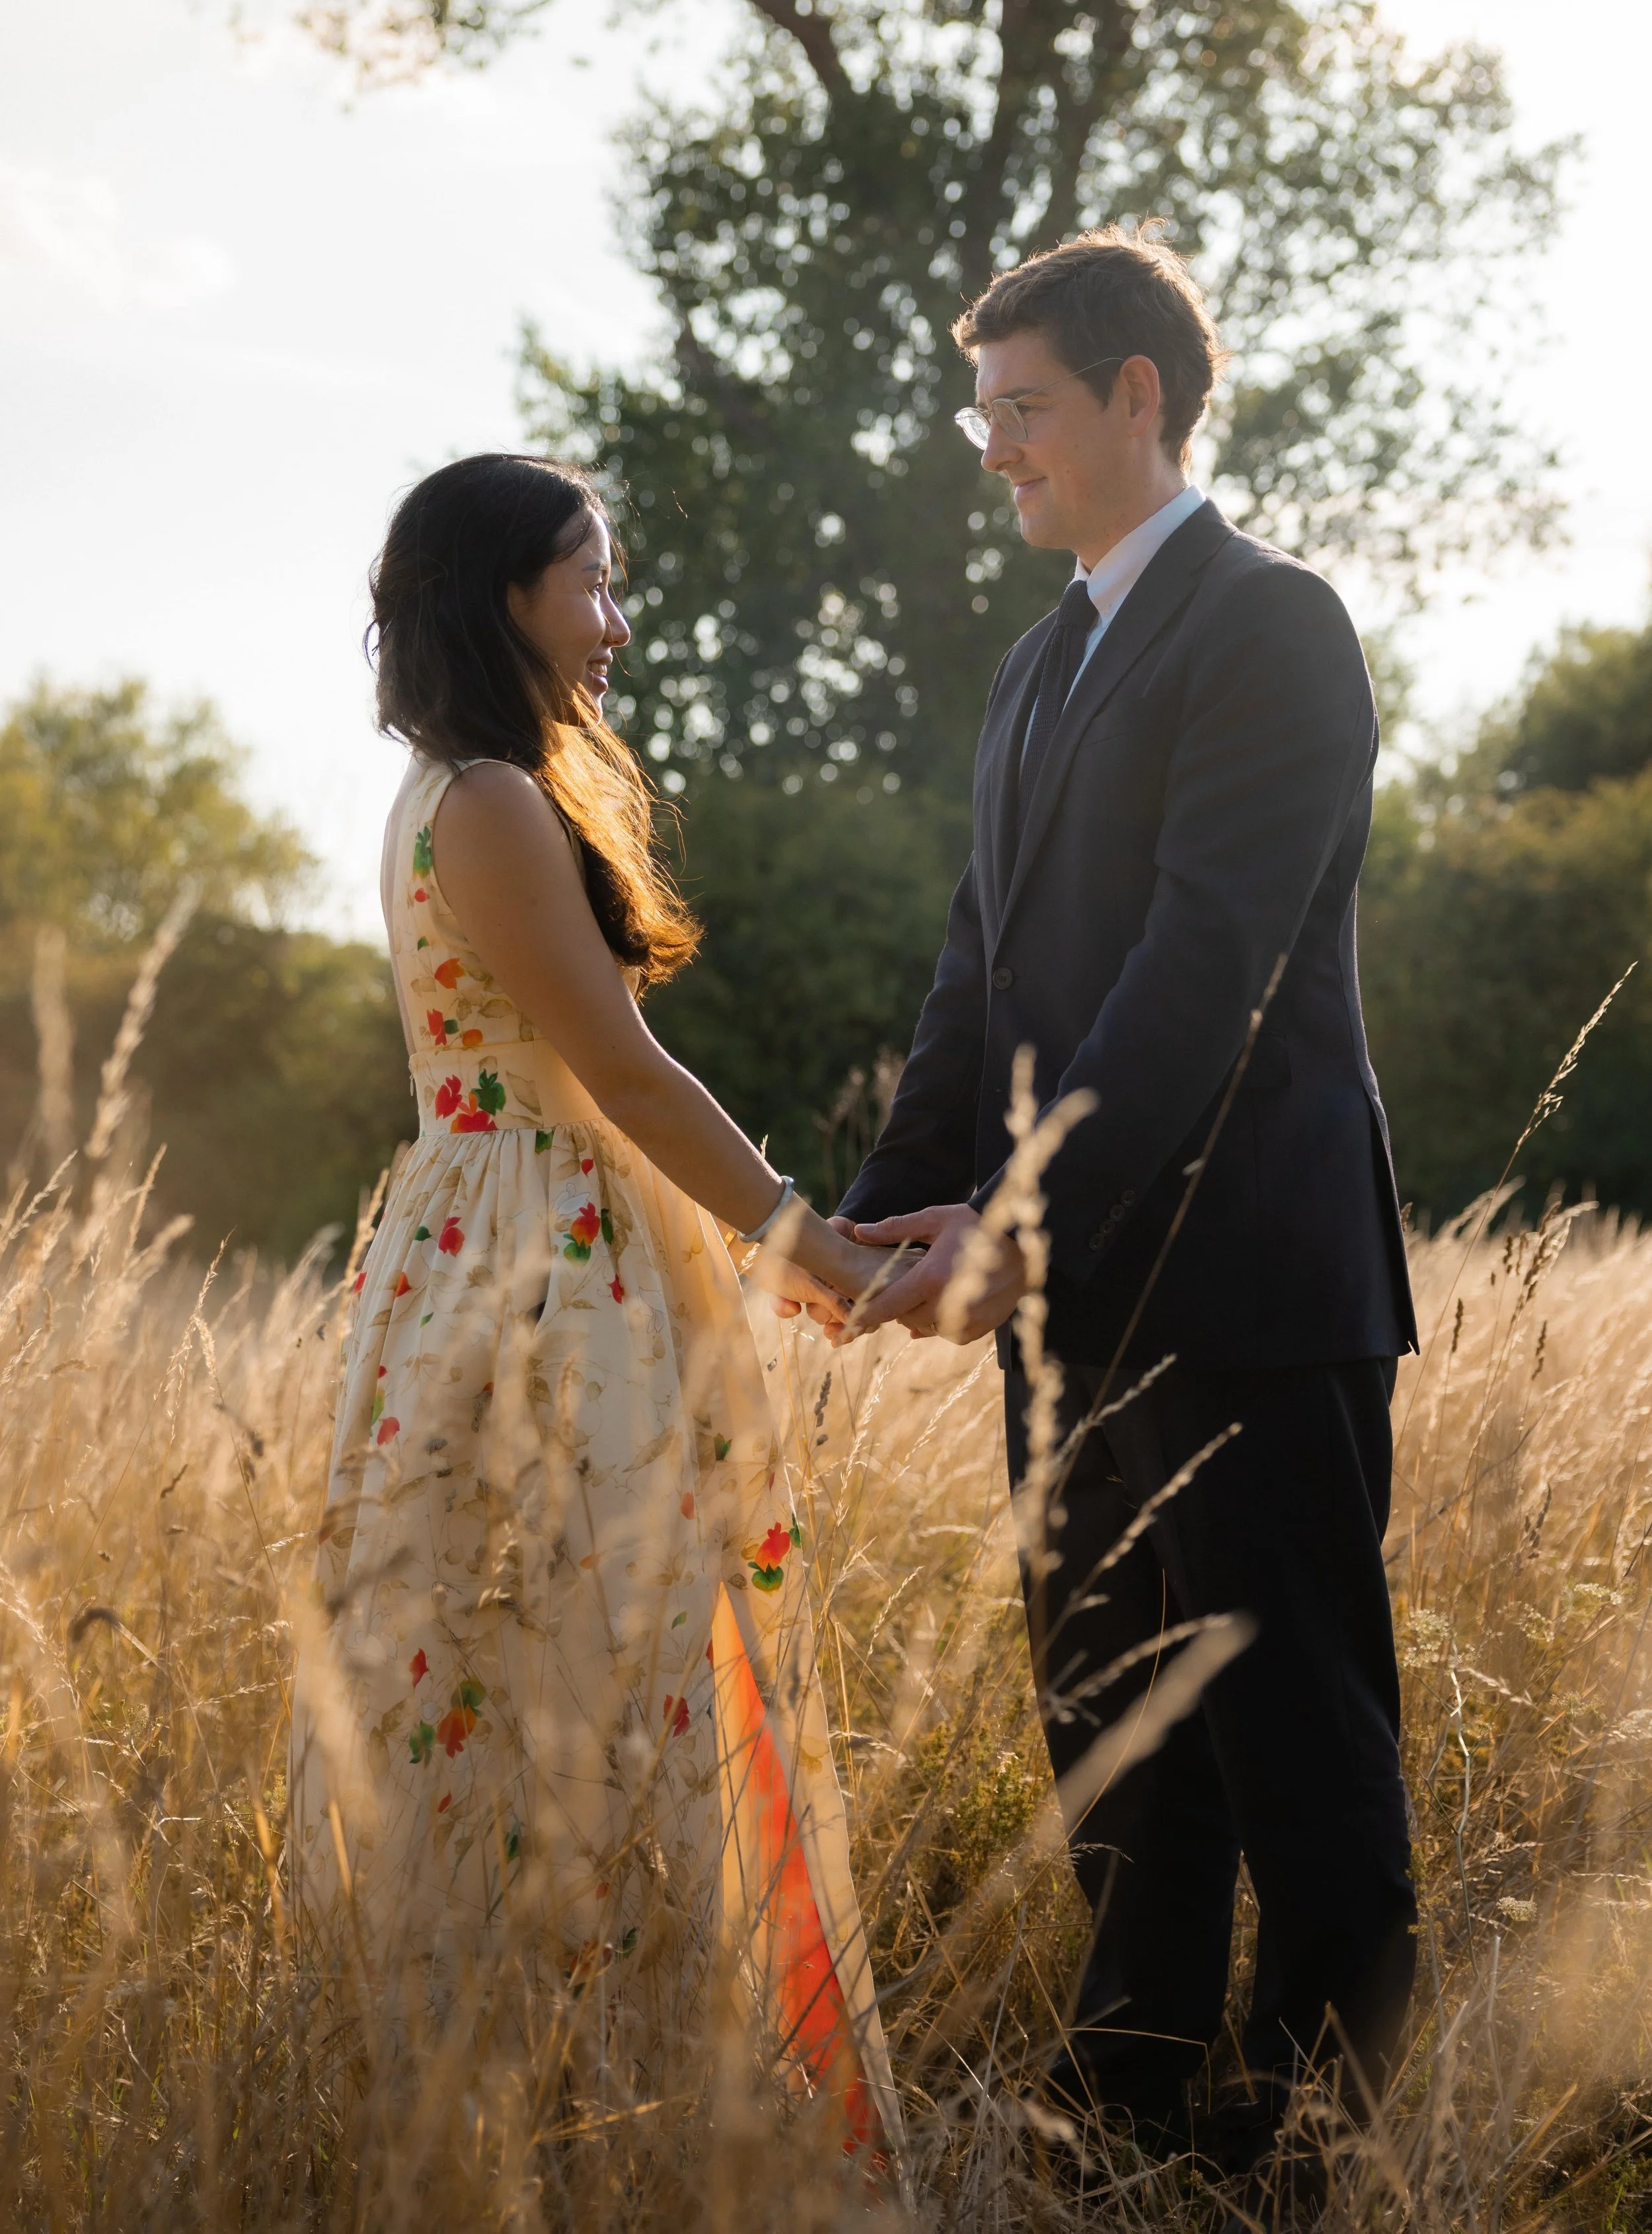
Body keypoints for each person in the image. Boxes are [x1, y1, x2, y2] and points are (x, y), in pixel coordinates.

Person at [835, 228, 1419, 2181]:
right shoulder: (1033, 659)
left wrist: (1016, 1213)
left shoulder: (1271, 623)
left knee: (1298, 1745)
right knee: (1112, 1736)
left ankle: (1317, 2155)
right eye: (975, 408)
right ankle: (1133, 2116)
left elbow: (1206, 961)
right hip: (1071, 1298)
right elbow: (978, 963)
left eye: (1020, 408)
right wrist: (885, 1210)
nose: (988, 446)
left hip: (1255, 1276)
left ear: (1134, 398)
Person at [287, 453, 897, 2151]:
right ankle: (596, 2092)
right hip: (533, 1266)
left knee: (529, 1657)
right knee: (577, 1658)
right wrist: (811, 1248)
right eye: (593, 582)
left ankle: (568, 2081)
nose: (617, 623)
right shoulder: (481, 799)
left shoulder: (453, 790)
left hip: (495, 1242)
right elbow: (619, 1075)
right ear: (505, 596)